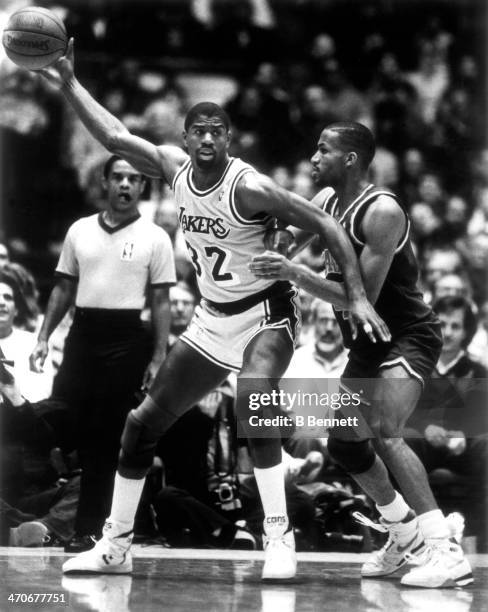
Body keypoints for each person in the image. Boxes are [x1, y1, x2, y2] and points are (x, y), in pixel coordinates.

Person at [40, 40, 389, 580]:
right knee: (139, 425)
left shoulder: (250, 186)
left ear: (230, 139)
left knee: (254, 397)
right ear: (184, 139)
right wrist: (68, 82)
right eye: (197, 131)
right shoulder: (172, 169)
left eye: (216, 131)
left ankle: (278, 535)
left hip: (266, 312)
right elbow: (111, 136)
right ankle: (116, 544)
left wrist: (360, 295)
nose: (206, 138)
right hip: (212, 317)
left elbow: (326, 224)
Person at [250, 121, 473, 588]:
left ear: (350, 159)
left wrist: (291, 271)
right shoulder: (329, 202)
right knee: (345, 444)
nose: (313, 158)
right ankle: (404, 531)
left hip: (406, 334)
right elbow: (291, 231)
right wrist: (274, 237)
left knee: (387, 431)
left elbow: (360, 297)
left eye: (322, 150)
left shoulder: (382, 211)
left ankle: (445, 550)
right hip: (368, 344)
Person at [30, 154, 176, 550]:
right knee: (61, 417)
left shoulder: (155, 237)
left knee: (104, 439)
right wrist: (43, 337)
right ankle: (44, 504)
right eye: (118, 178)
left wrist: (159, 355)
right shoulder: (80, 230)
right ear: (105, 183)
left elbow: (161, 301)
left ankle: (89, 530)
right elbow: (62, 288)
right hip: (82, 333)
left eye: (133, 179)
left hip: (127, 337)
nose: (125, 185)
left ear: (143, 187)